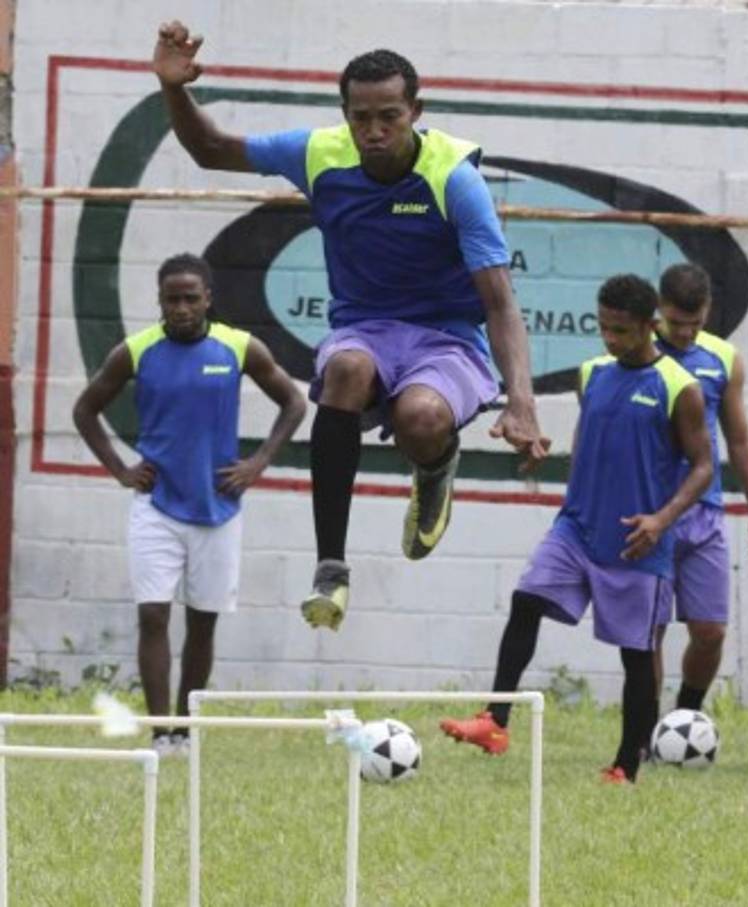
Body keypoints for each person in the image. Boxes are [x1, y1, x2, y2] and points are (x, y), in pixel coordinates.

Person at [152, 22, 548, 632]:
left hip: (447, 337)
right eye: (361, 118)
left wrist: (522, 401)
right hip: (363, 326)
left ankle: (434, 468)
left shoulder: (454, 179)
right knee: (345, 368)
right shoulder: (320, 154)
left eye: (390, 116)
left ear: (416, 112)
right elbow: (211, 149)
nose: (375, 131)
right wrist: (173, 88)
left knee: (422, 419)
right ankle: (330, 568)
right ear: (345, 115)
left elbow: (499, 302)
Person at [439, 275, 712, 784]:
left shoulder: (680, 388)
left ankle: (625, 767)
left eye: (621, 330)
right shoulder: (592, 375)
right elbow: (598, 438)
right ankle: (495, 721)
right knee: (525, 601)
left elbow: (703, 467)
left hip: (635, 543)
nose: (610, 338)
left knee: (637, 657)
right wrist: (544, 449)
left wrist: (662, 520)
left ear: (650, 326)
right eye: (603, 327)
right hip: (577, 528)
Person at [73, 254, 306, 756]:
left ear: (207, 299)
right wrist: (120, 470)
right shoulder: (136, 351)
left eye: (190, 298)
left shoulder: (239, 347)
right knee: (153, 616)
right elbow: (85, 410)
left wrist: (258, 462)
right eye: (171, 299)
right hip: (155, 506)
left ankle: (185, 729)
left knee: (203, 622)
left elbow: (294, 402)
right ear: (159, 301)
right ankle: (161, 735)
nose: (181, 308)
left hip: (218, 508)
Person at [651, 263, 748, 715]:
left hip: (704, 512)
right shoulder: (639, 351)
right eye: (675, 323)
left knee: (711, 630)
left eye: (695, 323)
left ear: (708, 311)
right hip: (649, 514)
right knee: (649, 632)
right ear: (660, 308)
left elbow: (738, 438)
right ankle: (645, 726)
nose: (685, 333)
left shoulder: (723, 358)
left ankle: (685, 717)